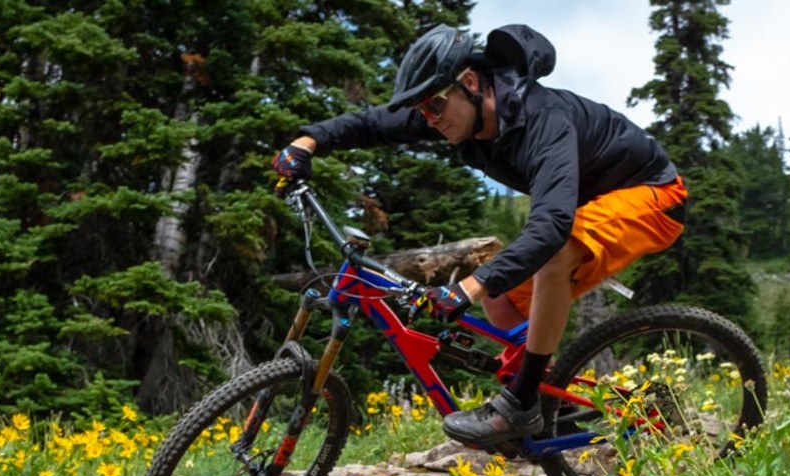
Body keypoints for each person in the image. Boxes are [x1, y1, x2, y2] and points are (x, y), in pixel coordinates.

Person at [273, 24, 687, 449]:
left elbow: (550, 226)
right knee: (501, 302)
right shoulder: (453, 111)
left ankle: (521, 404)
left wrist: (465, 288)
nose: (429, 120)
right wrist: (306, 144)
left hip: (652, 196)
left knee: (551, 254)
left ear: (470, 84)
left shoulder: (544, 121)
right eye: (422, 110)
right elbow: (372, 123)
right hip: (588, 202)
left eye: (434, 106)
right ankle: (553, 401)